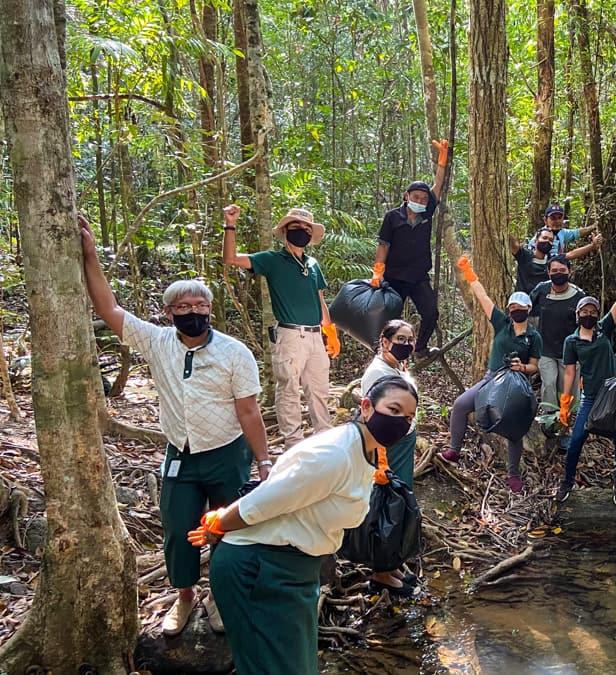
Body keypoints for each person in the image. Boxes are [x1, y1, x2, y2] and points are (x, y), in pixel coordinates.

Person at [80, 215, 271, 637]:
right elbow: (108, 308)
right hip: (180, 454)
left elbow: (249, 412)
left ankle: (220, 595)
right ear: (169, 312)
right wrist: (91, 255)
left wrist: (263, 462)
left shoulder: (235, 353)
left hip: (227, 451)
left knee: (228, 526)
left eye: (200, 307)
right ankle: (184, 597)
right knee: (178, 526)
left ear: (210, 310)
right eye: (183, 308)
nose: (192, 313)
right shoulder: (156, 341)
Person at [190, 376, 419, 675]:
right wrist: (218, 525)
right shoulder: (334, 454)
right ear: (366, 406)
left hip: (296, 568)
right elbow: (265, 500)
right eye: (394, 409)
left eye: (409, 417)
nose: (401, 421)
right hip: (259, 566)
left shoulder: (367, 450)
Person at [223, 204, 338, 449]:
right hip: (290, 334)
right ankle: (294, 443)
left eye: (307, 228)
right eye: (296, 227)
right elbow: (231, 259)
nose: (302, 231)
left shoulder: (313, 264)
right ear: (285, 231)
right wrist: (230, 224)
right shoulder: (272, 260)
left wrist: (330, 330)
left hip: (316, 336)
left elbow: (318, 298)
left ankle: (325, 441)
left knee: (318, 390)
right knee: (289, 390)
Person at [440, 257, 542, 493]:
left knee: (515, 426)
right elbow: (482, 297)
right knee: (461, 404)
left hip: (516, 385)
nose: (517, 312)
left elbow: (535, 365)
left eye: (521, 309)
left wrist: (523, 368)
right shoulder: (502, 323)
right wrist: (468, 271)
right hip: (492, 378)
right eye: (513, 308)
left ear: (528, 310)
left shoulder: (534, 336)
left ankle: (513, 474)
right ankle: (454, 449)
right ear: (509, 310)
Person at [555, 255, 616, 506]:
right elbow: (571, 372)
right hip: (591, 396)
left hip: (614, 394)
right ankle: (567, 481)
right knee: (575, 442)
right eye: (584, 311)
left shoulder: (603, 329)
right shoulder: (571, 342)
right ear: (577, 315)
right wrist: (566, 401)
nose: (588, 314)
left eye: (592, 311)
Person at [369, 140, 450, 356]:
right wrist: (378, 272)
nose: (420, 201)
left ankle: (420, 348)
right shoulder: (393, 217)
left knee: (431, 312)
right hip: (394, 276)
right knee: (388, 319)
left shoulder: (426, 214)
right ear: (407, 197)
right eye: (416, 197)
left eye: (423, 199)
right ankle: (382, 352)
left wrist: (442, 160)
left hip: (418, 276)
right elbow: (383, 244)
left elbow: (438, 186)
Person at [360, 320, 421, 593]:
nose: (406, 344)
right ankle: (381, 572)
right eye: (400, 338)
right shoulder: (376, 373)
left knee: (400, 502)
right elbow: (374, 418)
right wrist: (381, 461)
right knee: (388, 507)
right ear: (385, 341)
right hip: (388, 449)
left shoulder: (397, 367)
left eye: (410, 339)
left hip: (403, 444)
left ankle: (392, 563)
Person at [529, 255, 586, 423]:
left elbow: (586, 325)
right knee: (548, 383)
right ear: (548, 272)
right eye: (554, 270)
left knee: (567, 390)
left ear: (569, 271)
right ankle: (549, 422)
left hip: (568, 353)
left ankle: (565, 423)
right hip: (545, 349)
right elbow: (526, 309)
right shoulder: (541, 290)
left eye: (562, 270)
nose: (558, 273)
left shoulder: (578, 296)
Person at [512, 228, 602, 295]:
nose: (547, 241)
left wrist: (592, 245)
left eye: (551, 240)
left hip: (542, 309)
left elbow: (571, 254)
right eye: (544, 238)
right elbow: (514, 245)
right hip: (522, 307)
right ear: (536, 241)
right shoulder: (525, 256)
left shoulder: (552, 260)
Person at [528, 203, 598, 257]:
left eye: (559, 218)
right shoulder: (541, 239)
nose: (557, 221)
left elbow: (577, 233)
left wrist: (593, 226)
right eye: (553, 218)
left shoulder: (561, 232)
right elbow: (568, 256)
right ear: (545, 220)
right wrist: (592, 246)